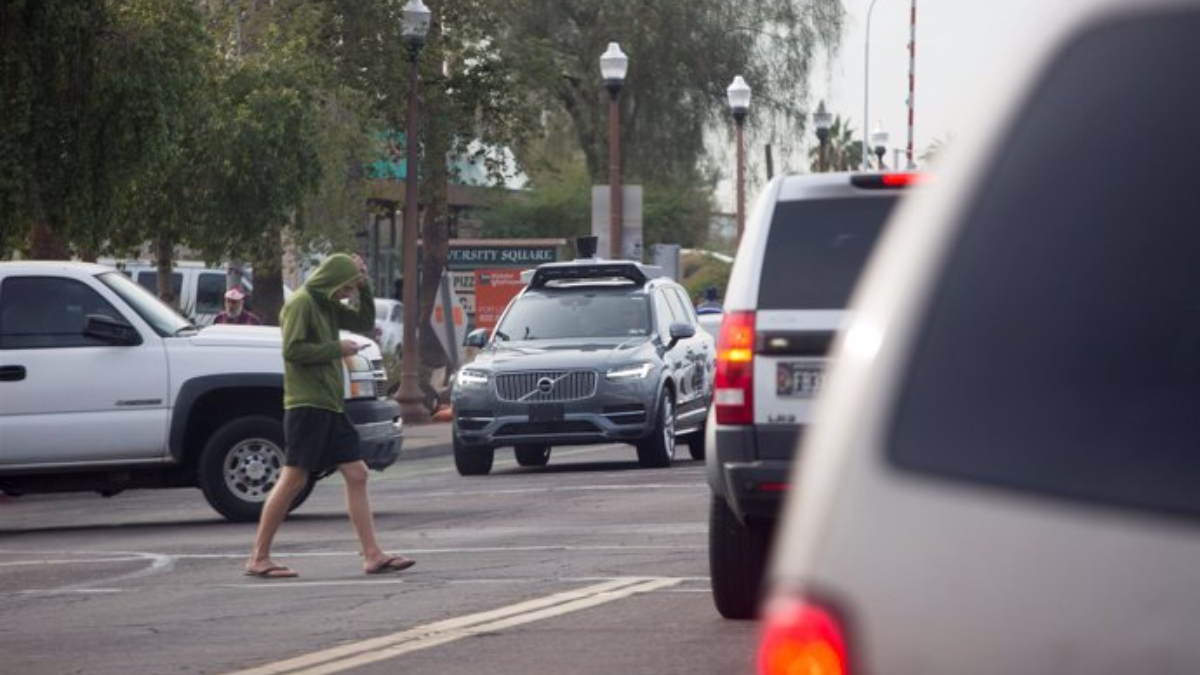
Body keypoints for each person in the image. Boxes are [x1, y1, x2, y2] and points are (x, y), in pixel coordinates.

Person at [244, 253, 415, 579]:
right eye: (347, 286)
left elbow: (364, 320)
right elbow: (292, 350)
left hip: (331, 404)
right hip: (307, 405)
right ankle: (259, 557)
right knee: (294, 478)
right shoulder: (302, 303)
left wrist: (364, 286)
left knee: (357, 473)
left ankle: (372, 555)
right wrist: (338, 348)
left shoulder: (325, 303)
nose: (347, 294)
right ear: (332, 280)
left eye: (351, 288)